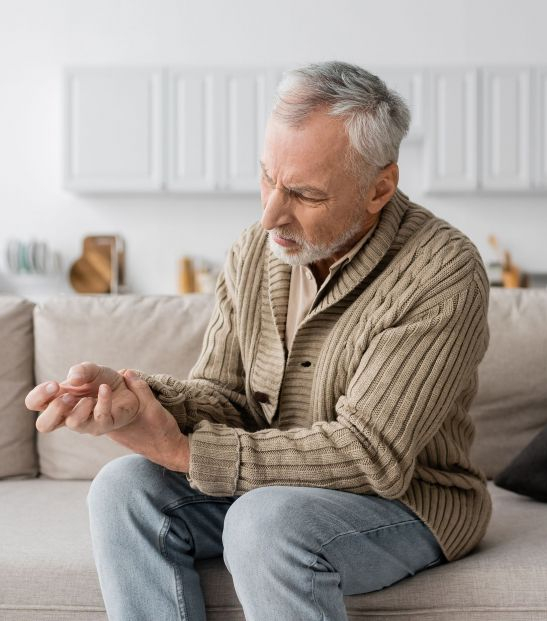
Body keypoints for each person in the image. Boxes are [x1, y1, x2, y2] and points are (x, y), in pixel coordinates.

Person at [26, 61, 492, 621]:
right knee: (122, 487)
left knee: (263, 520)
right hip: (270, 487)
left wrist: (182, 452)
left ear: (379, 189)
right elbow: (225, 398)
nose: (270, 214)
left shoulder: (443, 270)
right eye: (268, 177)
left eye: (303, 193)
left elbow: (372, 457)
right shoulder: (255, 249)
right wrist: (137, 396)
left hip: (408, 502)